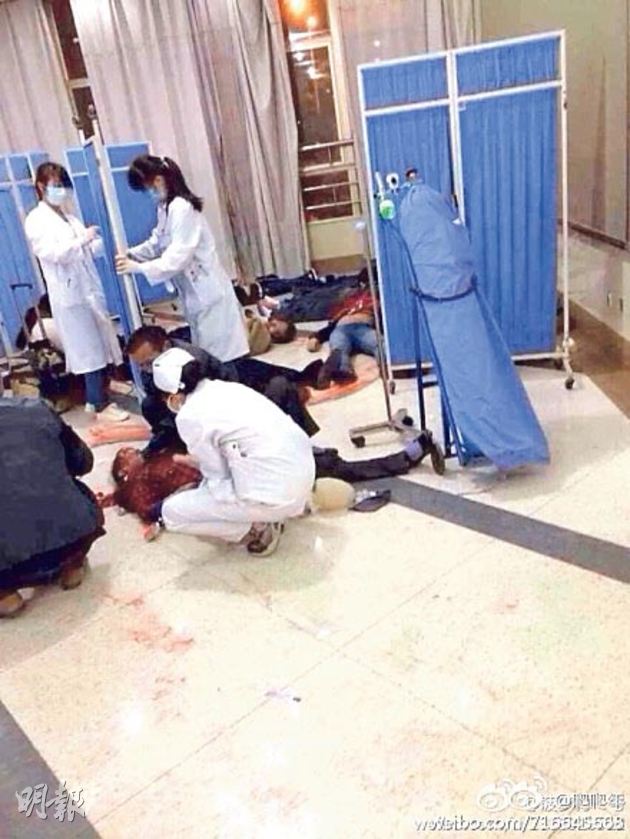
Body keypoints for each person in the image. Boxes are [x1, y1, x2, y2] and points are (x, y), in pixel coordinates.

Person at [149, 348, 316, 556]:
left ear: (172, 397)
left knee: (171, 513)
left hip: (278, 495)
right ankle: (265, 513)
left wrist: (198, 489)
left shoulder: (189, 416)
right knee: (212, 489)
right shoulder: (227, 388)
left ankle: (256, 528)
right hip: (305, 472)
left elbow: (218, 476)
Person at [115, 155, 248, 366]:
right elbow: (157, 242)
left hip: (209, 293)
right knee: (207, 355)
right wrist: (131, 253)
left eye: (146, 187)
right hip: (195, 295)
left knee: (223, 358)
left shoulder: (182, 207)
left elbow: (178, 256)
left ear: (158, 180)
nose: (147, 193)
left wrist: (139, 268)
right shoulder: (165, 208)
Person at [24, 162, 128, 421]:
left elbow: (86, 250)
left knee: (101, 344)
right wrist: (82, 240)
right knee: (88, 350)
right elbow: (54, 253)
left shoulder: (69, 218)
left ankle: (100, 396)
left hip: (88, 291)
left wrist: (95, 243)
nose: (61, 191)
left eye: (63, 185)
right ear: (41, 186)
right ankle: (97, 403)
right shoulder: (36, 220)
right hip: (70, 295)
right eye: (55, 185)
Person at [126, 325, 322, 451]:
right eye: (141, 366)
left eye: (149, 363)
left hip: (229, 412)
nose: (147, 370)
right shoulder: (150, 371)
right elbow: (164, 406)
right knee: (149, 405)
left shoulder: (193, 363)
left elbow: (203, 412)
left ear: (166, 347)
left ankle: (307, 444)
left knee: (280, 385)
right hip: (200, 419)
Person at [0, 397, 105, 617]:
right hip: (71, 539)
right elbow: (83, 462)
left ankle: (5, 594)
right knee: (74, 490)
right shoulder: (38, 409)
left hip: (9, 564)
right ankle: (71, 565)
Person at [307, 287, 378, 388]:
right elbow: (330, 328)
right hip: (341, 328)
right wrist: (316, 337)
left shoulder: (375, 305)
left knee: (378, 342)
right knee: (338, 348)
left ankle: (391, 364)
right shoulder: (343, 312)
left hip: (364, 327)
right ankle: (341, 370)